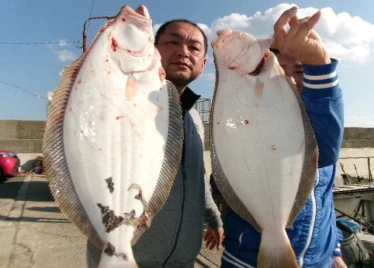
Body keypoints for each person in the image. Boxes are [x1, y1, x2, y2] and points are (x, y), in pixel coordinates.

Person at [87, 19, 224, 267]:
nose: (183, 52)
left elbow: (198, 178)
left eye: (194, 47)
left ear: (203, 64)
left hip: (183, 259)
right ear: (152, 48)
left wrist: (213, 219)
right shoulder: (122, 102)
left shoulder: (193, 118)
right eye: (173, 42)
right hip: (123, 256)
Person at [221, 7, 347, 268]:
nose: (289, 77)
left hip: (319, 262)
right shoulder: (254, 121)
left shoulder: (321, 128)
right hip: (247, 260)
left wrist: (335, 252)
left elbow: (325, 199)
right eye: (279, 69)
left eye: (302, 70)